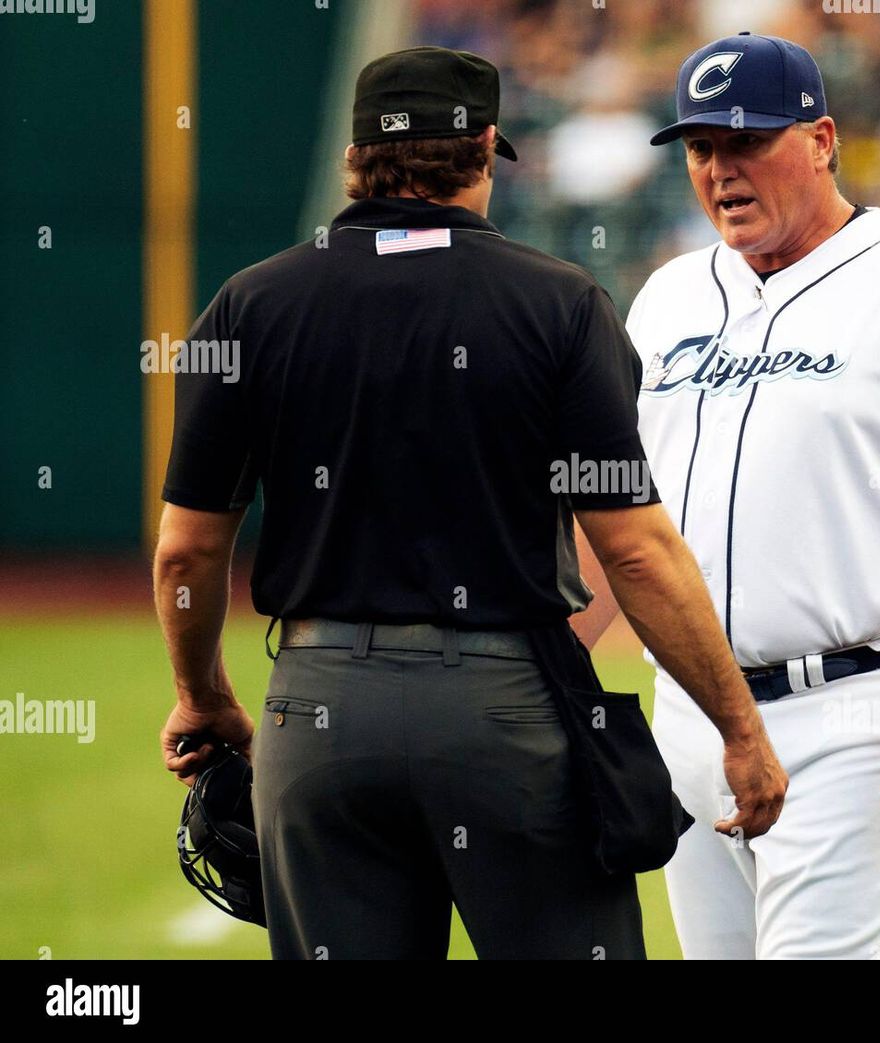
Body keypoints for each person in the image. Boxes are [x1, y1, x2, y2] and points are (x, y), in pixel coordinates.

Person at [152, 45, 785, 961]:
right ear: (485, 147)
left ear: (355, 159)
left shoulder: (248, 306)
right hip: (504, 712)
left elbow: (185, 552)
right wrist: (739, 726)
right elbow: (636, 551)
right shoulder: (560, 304)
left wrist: (202, 697)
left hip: (317, 710)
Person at [572, 32, 880, 959]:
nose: (721, 168)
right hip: (691, 713)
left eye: (747, 141)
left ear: (822, 138)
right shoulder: (669, 298)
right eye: (700, 147)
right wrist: (558, 672)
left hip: (855, 715)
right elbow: (619, 518)